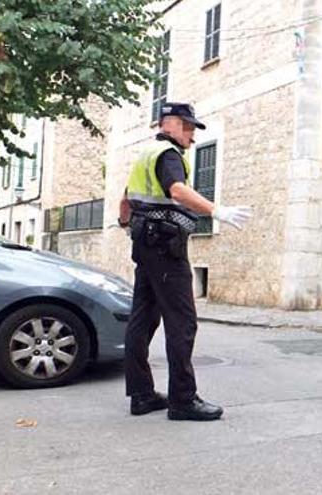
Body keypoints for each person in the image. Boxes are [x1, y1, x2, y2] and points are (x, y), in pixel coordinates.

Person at [119, 102, 252, 421]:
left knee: (142, 320)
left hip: (145, 245)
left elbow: (126, 198)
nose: (192, 134)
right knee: (182, 322)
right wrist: (216, 211)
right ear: (170, 124)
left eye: (193, 128)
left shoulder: (145, 153)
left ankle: (141, 395)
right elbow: (177, 191)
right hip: (165, 248)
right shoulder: (168, 155)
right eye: (188, 126)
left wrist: (128, 225)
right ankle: (182, 399)